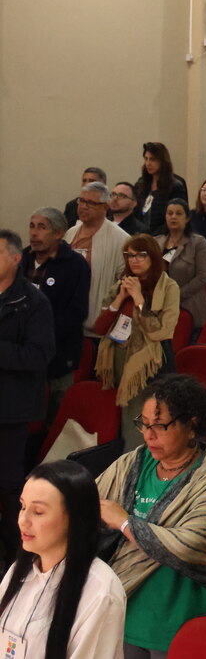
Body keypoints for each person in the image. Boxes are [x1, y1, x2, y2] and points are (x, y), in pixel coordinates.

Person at [96, 374, 206, 657]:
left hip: (179, 619)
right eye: (144, 424)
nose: (149, 435)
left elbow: (188, 547)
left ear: (191, 425)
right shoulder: (134, 462)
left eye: (160, 426)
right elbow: (88, 503)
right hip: (127, 608)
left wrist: (124, 522)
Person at [0, 460, 126, 659]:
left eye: (38, 512)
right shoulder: (21, 569)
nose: (23, 520)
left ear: (75, 518)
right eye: (23, 507)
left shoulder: (100, 591)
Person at [0, 229, 55, 565]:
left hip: (11, 409)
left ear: (15, 258)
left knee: (8, 485)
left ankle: (15, 557)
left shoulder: (33, 302)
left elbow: (39, 355)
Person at [92, 235, 179, 443]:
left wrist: (139, 298)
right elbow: (100, 327)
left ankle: (138, 457)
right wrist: (121, 298)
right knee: (118, 419)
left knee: (140, 418)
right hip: (117, 359)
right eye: (130, 255)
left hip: (148, 364)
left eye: (141, 255)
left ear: (153, 257)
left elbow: (160, 331)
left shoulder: (168, 287)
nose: (134, 260)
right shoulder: (121, 285)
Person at [22, 208, 90, 386]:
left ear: (59, 233)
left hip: (58, 356)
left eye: (42, 227)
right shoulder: (21, 259)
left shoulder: (76, 265)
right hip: (21, 355)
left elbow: (77, 313)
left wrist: (40, 334)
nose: (34, 233)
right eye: (32, 226)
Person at [66, 183, 129, 339]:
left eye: (91, 203)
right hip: (67, 321)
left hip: (97, 326)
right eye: (81, 201)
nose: (83, 206)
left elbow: (123, 284)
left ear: (105, 207)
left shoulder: (121, 240)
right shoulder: (70, 234)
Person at [155, 200, 206, 334]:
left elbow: (202, 277)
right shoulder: (156, 241)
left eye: (178, 213)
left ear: (187, 218)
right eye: (170, 213)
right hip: (160, 307)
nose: (173, 217)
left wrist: (175, 295)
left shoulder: (198, 242)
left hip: (189, 305)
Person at [132, 143, 186, 237]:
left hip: (164, 236)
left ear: (162, 161)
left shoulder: (175, 186)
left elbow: (179, 215)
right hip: (141, 236)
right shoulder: (141, 184)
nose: (148, 163)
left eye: (152, 159)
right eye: (146, 159)